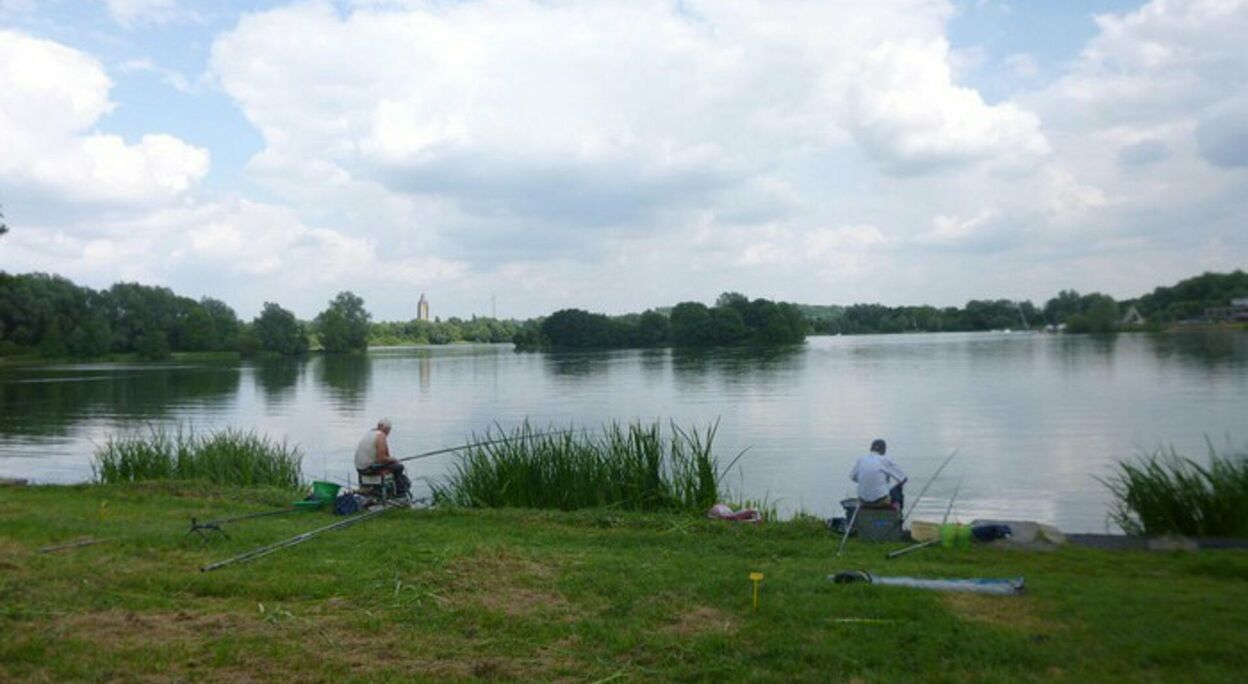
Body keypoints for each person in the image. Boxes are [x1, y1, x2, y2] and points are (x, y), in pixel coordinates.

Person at [354, 418, 411, 496]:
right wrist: (393, 459)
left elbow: (384, 455)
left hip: (359, 468)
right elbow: (381, 459)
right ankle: (399, 493)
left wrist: (389, 459)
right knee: (399, 467)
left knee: (393, 466)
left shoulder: (370, 433)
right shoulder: (381, 436)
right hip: (368, 469)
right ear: (387, 429)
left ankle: (373, 490)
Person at [850, 438, 906, 510]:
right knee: (897, 489)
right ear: (884, 450)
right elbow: (903, 478)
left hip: (863, 501)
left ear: (871, 448)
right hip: (881, 501)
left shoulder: (861, 460)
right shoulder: (885, 460)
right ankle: (897, 513)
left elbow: (852, 477)